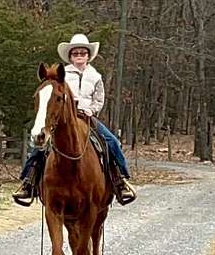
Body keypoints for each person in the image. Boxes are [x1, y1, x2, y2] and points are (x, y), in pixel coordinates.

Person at [13, 33, 136, 206]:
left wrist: (91, 110)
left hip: (87, 118)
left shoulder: (96, 76)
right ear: (70, 56)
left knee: (111, 142)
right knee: (40, 145)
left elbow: (99, 100)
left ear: (88, 56)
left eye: (82, 53)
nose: (79, 56)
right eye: (75, 53)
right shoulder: (62, 75)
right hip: (64, 118)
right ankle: (28, 181)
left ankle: (120, 180)